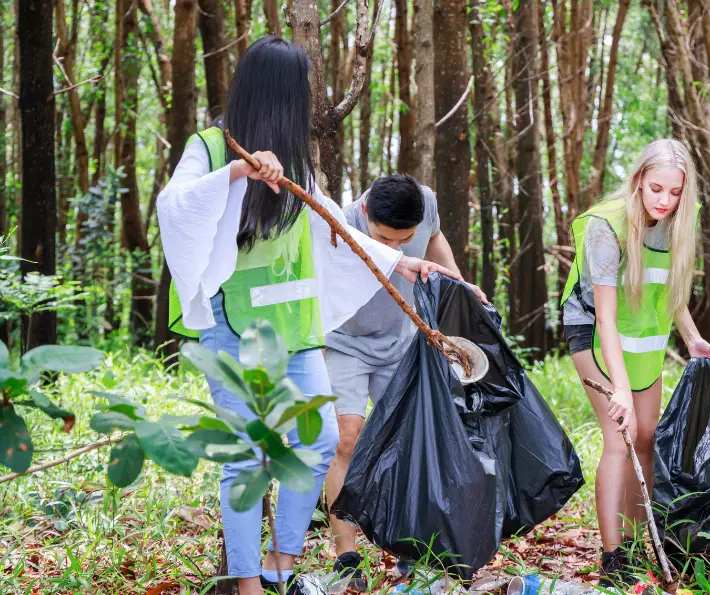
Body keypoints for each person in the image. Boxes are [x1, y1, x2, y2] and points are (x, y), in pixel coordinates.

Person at [157, 37, 452, 595]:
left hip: (293, 325)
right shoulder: (213, 146)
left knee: (316, 445)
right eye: (301, 90)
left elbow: (330, 227)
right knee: (246, 458)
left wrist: (401, 263)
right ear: (279, 92)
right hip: (231, 324)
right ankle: (248, 586)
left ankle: (280, 567)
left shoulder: (296, 159)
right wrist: (239, 173)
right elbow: (175, 205)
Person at [559, 139, 710, 587]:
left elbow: (666, 290)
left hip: (645, 333)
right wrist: (621, 391)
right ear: (637, 181)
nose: (665, 201)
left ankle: (635, 543)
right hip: (595, 334)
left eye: (675, 192)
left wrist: (691, 338)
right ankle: (614, 560)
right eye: (655, 189)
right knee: (620, 435)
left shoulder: (677, 222)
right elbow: (606, 317)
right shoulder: (605, 226)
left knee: (646, 438)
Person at [323, 174, 486, 590]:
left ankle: (410, 551)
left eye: (404, 239)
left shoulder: (426, 202)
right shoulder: (339, 223)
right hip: (346, 341)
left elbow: (434, 238)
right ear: (365, 213)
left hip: (402, 340)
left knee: (412, 439)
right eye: (385, 239)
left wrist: (458, 281)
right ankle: (347, 556)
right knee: (346, 437)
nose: (396, 248)